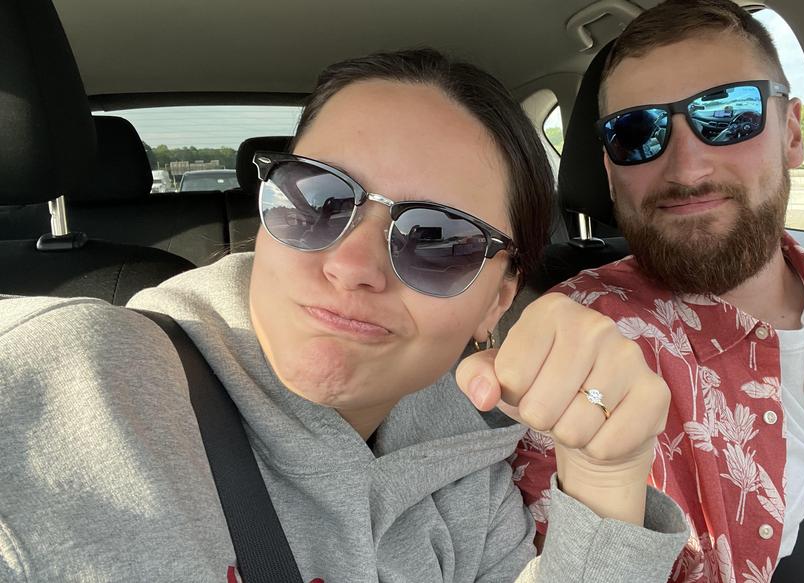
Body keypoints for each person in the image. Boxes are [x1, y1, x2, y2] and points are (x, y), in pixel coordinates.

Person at [0, 49, 689, 582]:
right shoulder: (64, 380)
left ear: (497, 300)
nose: (352, 264)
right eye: (317, 199)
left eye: (438, 239)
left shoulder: (470, 469)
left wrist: (605, 479)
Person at [508, 2, 804, 582]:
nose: (688, 169)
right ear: (611, 171)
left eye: (728, 115)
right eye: (637, 134)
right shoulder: (573, 341)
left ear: (790, 134)